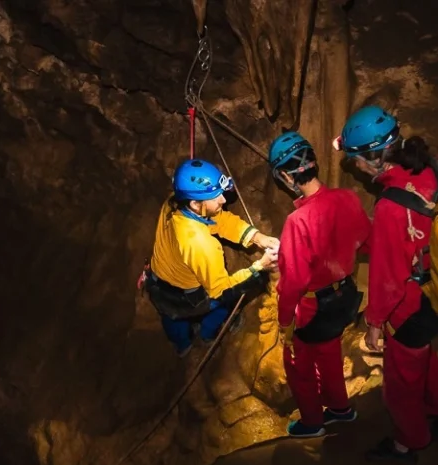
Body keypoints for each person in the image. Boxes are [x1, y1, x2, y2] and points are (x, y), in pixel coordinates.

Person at [336, 105, 438, 462]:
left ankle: (410, 441)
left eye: (357, 161)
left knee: (399, 380)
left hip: (416, 304)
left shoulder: (391, 208)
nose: (358, 168)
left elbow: (387, 278)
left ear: (375, 157)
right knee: (423, 354)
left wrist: (375, 324)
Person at [269, 131, 371, 438]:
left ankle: (312, 422)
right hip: (344, 298)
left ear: (286, 176)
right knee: (329, 350)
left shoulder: (297, 222)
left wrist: (285, 320)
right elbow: (365, 239)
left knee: (298, 363)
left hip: (313, 306)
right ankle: (340, 408)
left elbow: (295, 281)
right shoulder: (347, 198)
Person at [147, 158, 279, 357]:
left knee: (172, 318)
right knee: (222, 305)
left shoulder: (174, 202)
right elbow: (222, 290)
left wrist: (257, 237)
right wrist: (259, 266)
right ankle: (208, 335)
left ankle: (183, 346)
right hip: (186, 295)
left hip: (158, 282)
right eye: (216, 196)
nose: (223, 200)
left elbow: (220, 220)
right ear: (195, 203)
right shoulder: (199, 243)